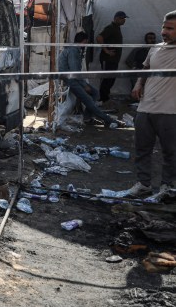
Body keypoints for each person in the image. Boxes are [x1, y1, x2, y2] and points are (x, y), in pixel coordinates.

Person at [128, 10, 176, 198]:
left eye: (170, 29)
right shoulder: (155, 47)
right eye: (164, 27)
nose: (164, 31)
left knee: (171, 152)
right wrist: (139, 83)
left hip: (170, 110)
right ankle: (143, 184)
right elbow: (146, 67)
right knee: (142, 149)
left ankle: (167, 187)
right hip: (146, 107)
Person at [59, 32, 120, 127]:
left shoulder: (74, 49)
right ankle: (108, 120)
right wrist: (84, 85)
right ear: (84, 41)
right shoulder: (73, 51)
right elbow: (75, 72)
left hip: (72, 78)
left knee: (95, 93)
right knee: (88, 100)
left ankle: (87, 117)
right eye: (86, 42)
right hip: (71, 80)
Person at [96, 10, 127, 104]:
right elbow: (99, 37)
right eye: (122, 18)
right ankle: (102, 100)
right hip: (107, 59)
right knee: (106, 79)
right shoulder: (111, 28)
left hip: (113, 60)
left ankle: (106, 98)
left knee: (111, 79)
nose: (124, 20)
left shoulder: (116, 28)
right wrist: (106, 51)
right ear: (116, 18)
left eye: (124, 18)